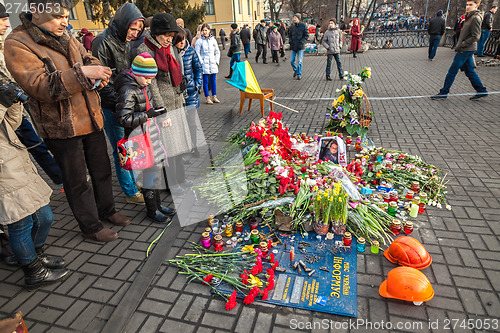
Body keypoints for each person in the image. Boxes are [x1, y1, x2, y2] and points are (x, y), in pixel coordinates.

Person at [6, 0, 130, 243]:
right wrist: (83, 74)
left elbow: (88, 57)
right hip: (61, 126)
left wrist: (97, 70)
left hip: (91, 118)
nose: (65, 21)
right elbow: (39, 86)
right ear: (36, 13)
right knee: (76, 180)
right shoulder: (17, 42)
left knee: (102, 170)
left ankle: (107, 210)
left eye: (65, 15)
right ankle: (90, 225)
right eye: (57, 16)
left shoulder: (66, 35)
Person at [0, 4, 68, 287]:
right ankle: (32, 271)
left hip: (11, 144)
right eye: (0, 19)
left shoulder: (4, 51)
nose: (5, 23)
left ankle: (34, 255)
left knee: (44, 214)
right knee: (19, 220)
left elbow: (13, 120)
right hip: (3, 157)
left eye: (5, 17)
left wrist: (12, 98)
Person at [92, 3, 146, 205]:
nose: (135, 34)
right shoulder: (102, 42)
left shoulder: (123, 40)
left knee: (130, 145)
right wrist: (122, 104)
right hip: (111, 106)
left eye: (138, 30)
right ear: (123, 24)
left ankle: (133, 181)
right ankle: (130, 191)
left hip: (123, 102)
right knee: (120, 148)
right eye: (133, 29)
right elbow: (101, 82)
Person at [136, 13, 193, 196]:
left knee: (179, 146)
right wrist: (162, 112)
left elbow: (176, 71)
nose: (170, 39)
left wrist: (182, 89)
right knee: (168, 148)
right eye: (166, 35)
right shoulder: (146, 50)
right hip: (164, 106)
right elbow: (151, 85)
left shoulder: (169, 47)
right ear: (156, 32)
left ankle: (180, 179)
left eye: (171, 35)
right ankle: (171, 184)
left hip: (177, 101)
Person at [114, 53, 175, 223]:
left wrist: (157, 113)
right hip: (138, 141)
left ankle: (158, 205)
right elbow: (123, 119)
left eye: (151, 79)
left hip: (150, 137)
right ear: (135, 73)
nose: (149, 82)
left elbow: (148, 107)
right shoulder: (128, 90)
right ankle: (152, 210)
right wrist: (147, 115)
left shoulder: (141, 86)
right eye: (146, 78)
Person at [431, 0, 488, 101]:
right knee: (469, 71)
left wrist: (462, 44)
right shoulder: (468, 16)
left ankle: (443, 92)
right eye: (467, 5)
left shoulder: (475, 18)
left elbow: (476, 36)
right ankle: (481, 90)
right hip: (466, 49)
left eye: (471, 5)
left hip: (465, 49)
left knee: (452, 71)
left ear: (477, 5)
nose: (468, 7)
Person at [174, 29, 203, 157]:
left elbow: (198, 68)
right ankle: (183, 148)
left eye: (183, 40)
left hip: (190, 92)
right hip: (177, 95)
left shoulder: (190, 51)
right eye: (179, 41)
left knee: (192, 123)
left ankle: (194, 147)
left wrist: (197, 85)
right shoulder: (170, 53)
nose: (181, 43)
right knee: (180, 124)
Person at [195, 23, 221, 104]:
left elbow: (217, 51)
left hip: (213, 63)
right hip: (204, 64)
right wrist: (201, 62)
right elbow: (197, 53)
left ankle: (214, 96)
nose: (204, 32)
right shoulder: (199, 41)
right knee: (205, 81)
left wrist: (216, 61)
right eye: (203, 30)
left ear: (209, 30)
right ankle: (207, 97)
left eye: (206, 30)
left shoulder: (213, 40)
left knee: (213, 81)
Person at [288, 13, 308, 80]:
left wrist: (302, 42)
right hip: (293, 46)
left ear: (299, 18)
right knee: (291, 61)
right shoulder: (292, 27)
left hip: (300, 46)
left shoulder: (303, 26)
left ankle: (299, 74)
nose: (294, 19)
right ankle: (296, 70)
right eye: (294, 18)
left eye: (296, 18)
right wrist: (290, 42)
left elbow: (306, 35)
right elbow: (289, 35)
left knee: (300, 61)